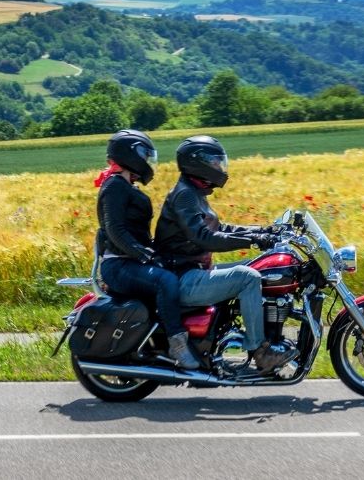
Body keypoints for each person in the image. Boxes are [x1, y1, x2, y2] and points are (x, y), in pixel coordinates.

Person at [154, 135, 297, 375]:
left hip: (193, 273)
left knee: (260, 268)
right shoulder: (184, 195)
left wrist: (264, 231)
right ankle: (261, 352)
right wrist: (254, 240)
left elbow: (222, 229)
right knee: (248, 277)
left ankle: (266, 335)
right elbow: (204, 237)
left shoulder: (194, 193)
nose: (220, 167)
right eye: (214, 162)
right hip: (181, 278)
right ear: (197, 163)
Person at [96, 129, 200, 370]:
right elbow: (114, 229)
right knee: (165, 281)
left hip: (130, 261)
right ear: (128, 154)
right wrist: (141, 253)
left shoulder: (124, 185)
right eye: (144, 154)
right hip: (119, 264)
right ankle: (178, 345)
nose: (147, 161)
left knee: (177, 274)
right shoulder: (114, 186)